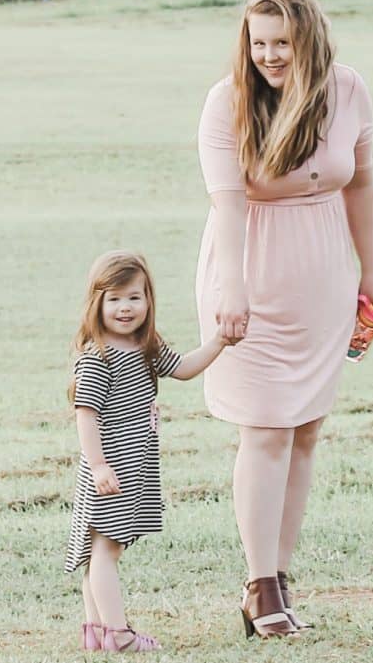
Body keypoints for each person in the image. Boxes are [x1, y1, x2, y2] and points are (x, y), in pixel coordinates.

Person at [195, 0, 373, 638]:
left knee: (305, 427)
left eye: (282, 42)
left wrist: (372, 272)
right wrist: (232, 287)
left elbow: (360, 183)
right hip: (250, 277)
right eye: (259, 43)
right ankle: (259, 585)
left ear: (308, 39)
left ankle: (278, 575)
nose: (270, 56)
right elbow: (228, 205)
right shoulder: (228, 101)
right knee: (266, 426)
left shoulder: (349, 91)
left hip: (325, 278)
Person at [64, 250, 231, 653]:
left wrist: (221, 340)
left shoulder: (146, 345)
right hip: (111, 470)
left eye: (134, 297)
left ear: (148, 300)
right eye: (115, 298)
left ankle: (97, 631)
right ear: (97, 303)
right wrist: (100, 466)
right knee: (105, 551)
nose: (125, 307)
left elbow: (186, 367)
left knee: (98, 551)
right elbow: (85, 417)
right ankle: (119, 634)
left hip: (130, 467)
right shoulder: (98, 358)